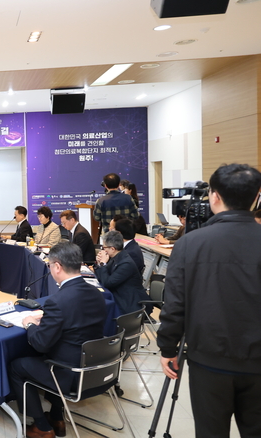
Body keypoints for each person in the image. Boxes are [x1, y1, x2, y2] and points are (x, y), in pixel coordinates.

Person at [158, 164, 261, 438]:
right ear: (256, 197)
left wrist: (167, 347)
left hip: (208, 360)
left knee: (210, 432)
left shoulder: (190, 243)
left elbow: (175, 303)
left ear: (214, 196)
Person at [8, 243, 107, 438]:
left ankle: (42, 427)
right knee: (59, 354)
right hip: (94, 368)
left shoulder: (57, 301)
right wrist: (49, 319)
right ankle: (57, 418)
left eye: (50, 265)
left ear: (58, 267)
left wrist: (30, 324)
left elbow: (40, 343)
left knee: (17, 367)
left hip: (70, 374)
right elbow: (76, 322)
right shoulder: (97, 294)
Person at [93, 231, 149, 315]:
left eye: (104, 248)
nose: (103, 250)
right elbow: (103, 277)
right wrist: (99, 263)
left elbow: (108, 283)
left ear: (112, 249)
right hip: (118, 294)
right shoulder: (115, 257)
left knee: (97, 306)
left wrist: (103, 264)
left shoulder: (126, 263)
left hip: (128, 302)